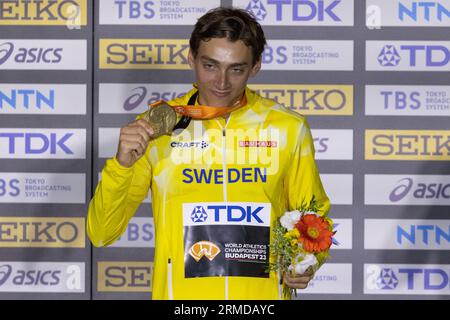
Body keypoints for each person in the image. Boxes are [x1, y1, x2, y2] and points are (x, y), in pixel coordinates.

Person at [87, 7, 330, 300]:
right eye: (210, 65)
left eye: (236, 69)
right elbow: (101, 233)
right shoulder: (155, 128)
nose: (222, 82)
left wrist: (307, 262)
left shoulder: (288, 128)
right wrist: (121, 166)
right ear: (191, 58)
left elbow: (312, 218)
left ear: (255, 68)